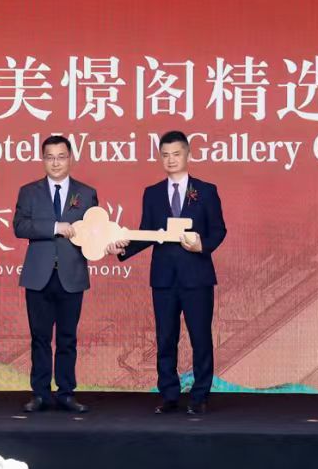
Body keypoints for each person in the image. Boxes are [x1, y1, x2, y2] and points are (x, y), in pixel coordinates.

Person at [107, 130, 227, 415]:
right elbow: (147, 232)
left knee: (200, 337)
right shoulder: (153, 193)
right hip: (163, 278)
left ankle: (200, 395)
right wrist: (122, 248)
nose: (171, 160)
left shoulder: (206, 190)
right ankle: (169, 394)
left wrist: (202, 245)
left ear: (187, 155)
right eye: (165, 155)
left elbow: (219, 229)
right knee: (165, 338)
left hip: (197, 277)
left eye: (176, 154)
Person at [13, 135, 98, 413]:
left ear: (70, 158)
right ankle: (40, 394)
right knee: (39, 338)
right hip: (39, 275)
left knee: (67, 338)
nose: (56, 163)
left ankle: (66, 393)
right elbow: (20, 227)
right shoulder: (29, 191)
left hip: (71, 276)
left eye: (61, 157)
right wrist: (55, 227)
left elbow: (94, 232)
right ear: (43, 160)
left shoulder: (86, 193)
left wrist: (110, 243)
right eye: (50, 157)